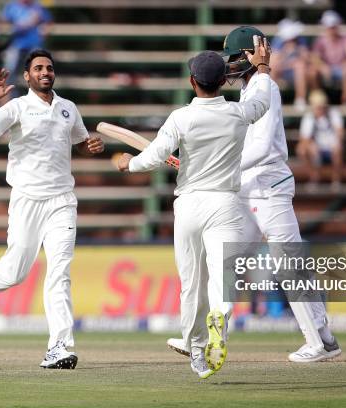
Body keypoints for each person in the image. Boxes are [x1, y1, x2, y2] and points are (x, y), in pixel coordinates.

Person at [166, 26, 341, 364]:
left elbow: (259, 148)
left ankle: (318, 343)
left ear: (252, 55)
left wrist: (217, 165)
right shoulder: (249, 90)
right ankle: (203, 338)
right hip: (250, 190)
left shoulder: (265, 88)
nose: (230, 65)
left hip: (269, 189)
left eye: (236, 57)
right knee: (223, 262)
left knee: (289, 264)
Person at [115, 40, 272, 379]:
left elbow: (155, 157)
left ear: (192, 81)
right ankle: (221, 317)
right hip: (225, 203)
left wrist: (130, 164)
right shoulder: (237, 113)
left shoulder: (181, 117)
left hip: (189, 204)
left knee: (192, 282)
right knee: (222, 277)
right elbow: (262, 102)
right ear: (224, 81)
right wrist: (262, 68)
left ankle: (197, 351)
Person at [0, 49, 105, 370]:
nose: (45, 72)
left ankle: (59, 346)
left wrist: (92, 147)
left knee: (60, 272)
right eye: (38, 68)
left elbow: (80, 145)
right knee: (16, 270)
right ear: (27, 76)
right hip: (27, 199)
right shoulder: (17, 107)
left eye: (49, 68)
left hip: (61, 201)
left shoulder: (67, 109)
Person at [296, 89, 344, 187]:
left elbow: (340, 131)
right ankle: (314, 177)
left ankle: (336, 180)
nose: (320, 108)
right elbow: (304, 139)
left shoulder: (333, 113)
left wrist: (337, 143)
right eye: (318, 106)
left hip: (332, 148)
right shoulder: (309, 117)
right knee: (301, 150)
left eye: (322, 106)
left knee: (338, 148)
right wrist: (311, 145)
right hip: (317, 150)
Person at [3, 0, 52, 92]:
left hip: (35, 44)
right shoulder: (11, 6)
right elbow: (4, 24)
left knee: (40, 71)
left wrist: (45, 30)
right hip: (16, 44)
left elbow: (48, 22)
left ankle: (39, 97)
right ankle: (9, 99)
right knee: (8, 71)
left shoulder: (38, 6)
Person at [311, 10, 346, 104]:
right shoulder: (320, 40)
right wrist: (323, 66)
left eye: (333, 26)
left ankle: (345, 102)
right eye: (329, 27)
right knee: (313, 71)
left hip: (342, 68)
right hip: (328, 68)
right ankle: (319, 101)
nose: (331, 29)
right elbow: (315, 58)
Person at [270, 19, 309, 110]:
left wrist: (298, 51)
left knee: (300, 66)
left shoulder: (300, 40)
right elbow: (273, 63)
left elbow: (306, 58)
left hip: (296, 71)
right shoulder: (278, 41)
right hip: (282, 70)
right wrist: (286, 53)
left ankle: (300, 99)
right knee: (273, 69)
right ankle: (274, 100)